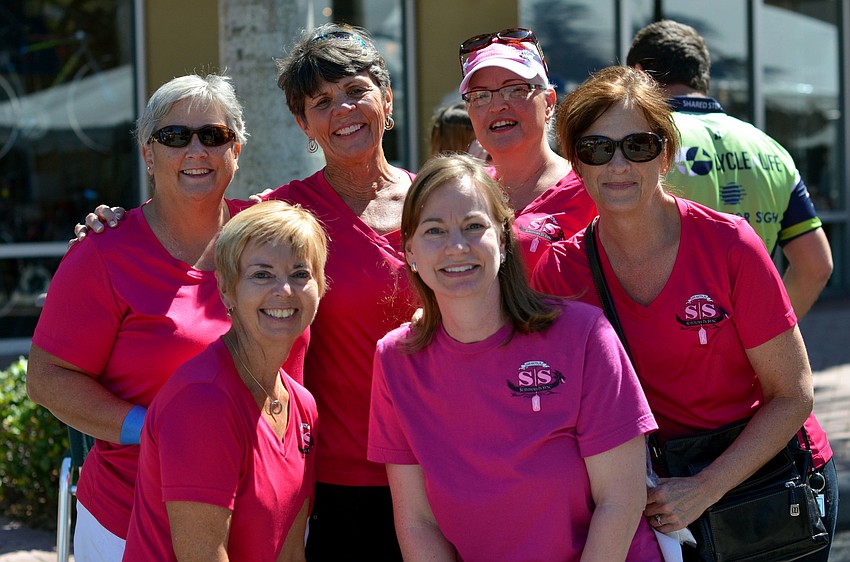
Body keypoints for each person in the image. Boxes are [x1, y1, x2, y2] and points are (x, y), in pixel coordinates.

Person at [531, 65, 836, 561]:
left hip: (768, 484)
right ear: (575, 163)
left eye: (638, 145)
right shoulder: (560, 273)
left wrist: (706, 486)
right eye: (596, 148)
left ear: (666, 153)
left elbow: (794, 393)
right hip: (663, 500)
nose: (618, 165)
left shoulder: (729, 244)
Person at [25, 74, 314, 561]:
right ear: (148, 154)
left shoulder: (269, 237)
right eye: (175, 136)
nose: (196, 150)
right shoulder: (104, 252)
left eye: (214, 135)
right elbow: (48, 379)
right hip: (132, 519)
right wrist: (153, 427)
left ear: (237, 150)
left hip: (266, 516)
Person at [367, 154, 661, 561]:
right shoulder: (395, 359)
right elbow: (418, 523)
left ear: (502, 240)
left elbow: (621, 501)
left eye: (473, 226)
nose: (456, 247)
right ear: (410, 252)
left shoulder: (583, 336)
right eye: (434, 230)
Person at [122, 201, 324, 562]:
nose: (284, 290)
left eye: (300, 274)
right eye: (262, 275)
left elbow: (290, 552)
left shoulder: (302, 405)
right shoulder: (202, 402)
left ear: (320, 287)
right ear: (227, 290)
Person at [626, 19, 832, 320]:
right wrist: (770, 332)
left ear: (639, 75)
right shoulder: (772, 148)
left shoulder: (638, 144)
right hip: (749, 350)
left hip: (662, 349)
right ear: (702, 77)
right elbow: (816, 265)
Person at [458, 27, 597, 273]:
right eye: (480, 96)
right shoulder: (463, 194)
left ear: (549, 103)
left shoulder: (591, 190)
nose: (497, 105)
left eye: (515, 90)